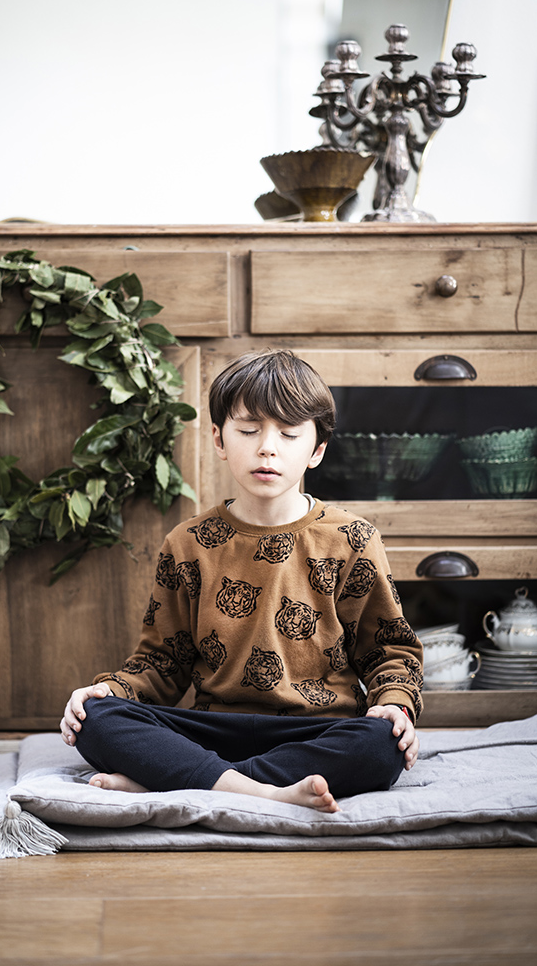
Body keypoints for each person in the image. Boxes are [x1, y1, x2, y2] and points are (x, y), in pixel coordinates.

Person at [61, 349, 423, 814]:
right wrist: (109, 691)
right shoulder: (187, 543)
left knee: (380, 743)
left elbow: (390, 650)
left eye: (289, 433)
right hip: (212, 729)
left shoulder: (353, 538)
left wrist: (395, 704)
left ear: (317, 450)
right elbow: (162, 662)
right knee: (95, 719)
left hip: (314, 732)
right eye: (249, 431)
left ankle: (185, 780)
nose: (267, 447)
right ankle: (263, 791)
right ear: (219, 438)